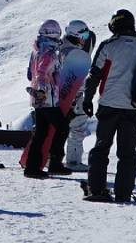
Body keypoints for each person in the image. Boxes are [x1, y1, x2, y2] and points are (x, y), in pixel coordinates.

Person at [82, 10, 136, 203]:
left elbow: (94, 75)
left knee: (101, 149)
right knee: (127, 153)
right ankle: (123, 193)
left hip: (108, 104)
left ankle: (97, 190)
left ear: (114, 25)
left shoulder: (108, 46)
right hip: (132, 107)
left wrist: (87, 99)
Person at [24, 19, 71, 179]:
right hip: (47, 98)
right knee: (63, 127)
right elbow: (41, 73)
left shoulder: (36, 50)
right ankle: (55, 163)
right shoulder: (49, 52)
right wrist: (44, 90)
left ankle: (32, 167)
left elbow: (30, 74)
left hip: (38, 98)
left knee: (41, 133)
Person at [57, 21, 95, 172]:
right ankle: (73, 161)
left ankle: (49, 158)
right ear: (76, 35)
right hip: (73, 96)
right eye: (84, 35)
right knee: (77, 128)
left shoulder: (60, 49)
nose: (86, 38)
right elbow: (74, 79)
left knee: (56, 128)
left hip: (58, 96)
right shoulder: (72, 54)